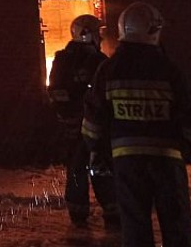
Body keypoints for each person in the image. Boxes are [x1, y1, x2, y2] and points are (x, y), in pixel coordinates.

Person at [82, 2, 191, 247]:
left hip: (126, 163)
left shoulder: (108, 70)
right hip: (167, 162)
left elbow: (93, 118)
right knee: (177, 225)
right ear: (153, 31)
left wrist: (95, 149)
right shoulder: (170, 70)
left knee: (135, 227)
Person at [47, 14, 119, 229]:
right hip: (94, 126)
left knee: (78, 167)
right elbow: (59, 92)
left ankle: (79, 214)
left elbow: (56, 92)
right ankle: (112, 212)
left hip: (75, 125)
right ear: (86, 34)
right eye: (98, 32)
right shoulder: (98, 62)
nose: (101, 37)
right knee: (99, 166)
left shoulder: (64, 59)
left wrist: (66, 115)